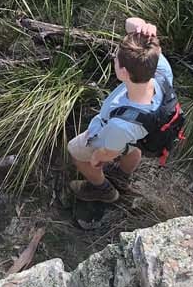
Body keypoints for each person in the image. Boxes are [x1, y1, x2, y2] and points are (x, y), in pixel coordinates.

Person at [66, 16, 183, 202]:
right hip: (142, 133)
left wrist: (98, 156)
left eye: (116, 59)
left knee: (75, 151)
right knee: (132, 147)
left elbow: (109, 152)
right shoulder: (160, 68)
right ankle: (122, 175)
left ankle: (103, 190)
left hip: (113, 136)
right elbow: (130, 24)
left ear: (123, 72)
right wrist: (141, 28)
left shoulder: (121, 124)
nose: (114, 59)